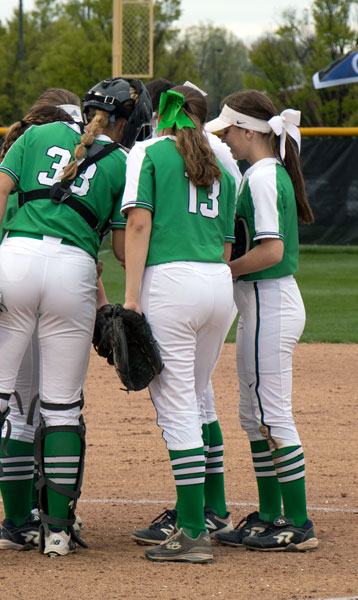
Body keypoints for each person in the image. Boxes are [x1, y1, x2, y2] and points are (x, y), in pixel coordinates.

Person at [0, 78, 151, 559]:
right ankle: (57, 534)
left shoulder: (35, 134)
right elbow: (118, 244)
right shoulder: (121, 161)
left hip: (18, 259)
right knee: (62, 407)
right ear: (125, 121)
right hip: (75, 273)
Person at [119, 85, 238, 563]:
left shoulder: (150, 153)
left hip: (170, 283)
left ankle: (191, 532)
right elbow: (228, 244)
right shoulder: (221, 165)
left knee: (176, 406)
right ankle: (211, 512)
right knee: (197, 393)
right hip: (217, 286)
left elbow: (139, 226)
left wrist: (131, 298)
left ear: (162, 115)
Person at [203, 89, 318, 552]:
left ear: (248, 131)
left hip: (268, 299)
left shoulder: (264, 178)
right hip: (261, 302)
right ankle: (271, 514)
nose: (226, 140)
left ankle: (299, 523)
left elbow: (270, 250)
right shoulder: (263, 174)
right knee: (254, 416)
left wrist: (222, 271)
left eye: (229, 131)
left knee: (272, 415)